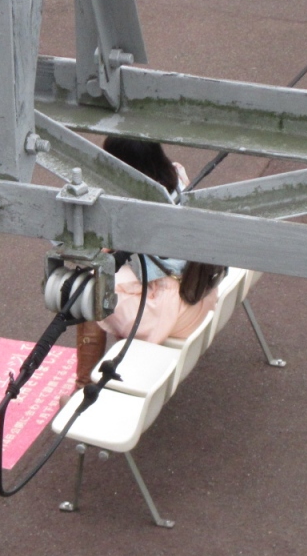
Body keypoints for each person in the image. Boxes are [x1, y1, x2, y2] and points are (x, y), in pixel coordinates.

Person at [73, 137, 225, 386]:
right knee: (108, 281)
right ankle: (87, 382)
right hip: (199, 294)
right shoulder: (176, 176)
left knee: (88, 292)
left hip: (165, 313)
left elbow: (100, 250)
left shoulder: (136, 205)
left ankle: (82, 386)